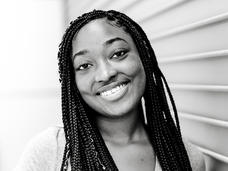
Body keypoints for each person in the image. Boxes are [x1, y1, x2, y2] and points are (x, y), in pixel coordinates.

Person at [14, 10, 205, 171]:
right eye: (84, 66)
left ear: (143, 57)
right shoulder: (51, 151)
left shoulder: (186, 158)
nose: (105, 74)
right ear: (74, 83)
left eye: (118, 54)